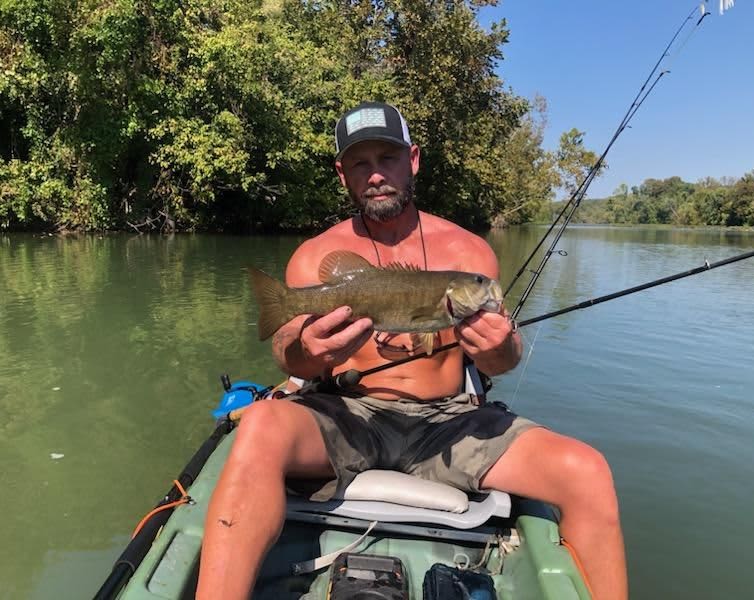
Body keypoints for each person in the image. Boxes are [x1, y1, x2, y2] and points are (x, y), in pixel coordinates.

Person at [197, 101, 627, 599]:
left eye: (389, 158)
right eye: (360, 163)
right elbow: (288, 355)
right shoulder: (316, 256)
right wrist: (309, 352)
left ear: (413, 160)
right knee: (261, 426)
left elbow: (500, 363)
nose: (376, 174)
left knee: (587, 472)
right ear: (343, 174)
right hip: (349, 415)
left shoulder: (467, 255)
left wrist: (499, 346)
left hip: (449, 423)